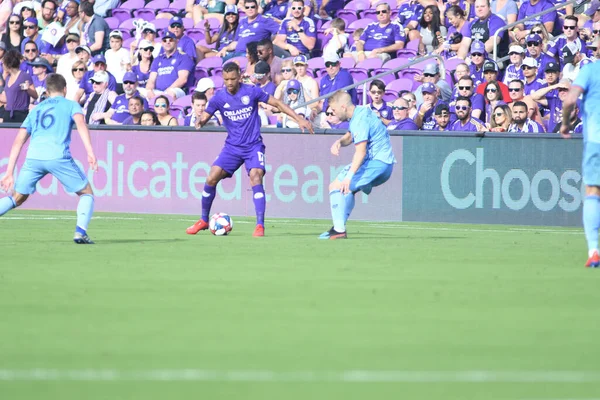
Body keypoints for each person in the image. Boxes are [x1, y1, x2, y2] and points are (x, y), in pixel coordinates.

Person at [186, 61, 313, 237]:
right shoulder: (219, 98)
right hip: (232, 147)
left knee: (256, 176)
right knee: (211, 177)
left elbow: (277, 103)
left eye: (232, 78)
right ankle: (204, 220)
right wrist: (200, 121)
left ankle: (260, 225)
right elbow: (206, 115)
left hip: (253, 146)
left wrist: (299, 119)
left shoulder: (251, 91)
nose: (229, 83)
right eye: (226, 79)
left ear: (239, 76)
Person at [0, 73, 98, 244]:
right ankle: (80, 232)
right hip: (57, 156)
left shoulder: (36, 109)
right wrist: (90, 151)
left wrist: (9, 172)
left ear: (46, 90)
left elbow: (18, 141)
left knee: (17, 198)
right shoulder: (71, 105)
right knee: (86, 193)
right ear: (65, 89)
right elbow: (81, 124)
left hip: (34, 158)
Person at [319, 90, 396, 240]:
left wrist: (349, 177)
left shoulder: (360, 120)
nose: (332, 113)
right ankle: (338, 227)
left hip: (377, 163)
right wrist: (340, 142)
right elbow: (350, 136)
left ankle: (339, 229)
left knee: (337, 187)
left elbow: (360, 152)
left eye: (333, 110)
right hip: (385, 164)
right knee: (346, 190)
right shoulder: (359, 113)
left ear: (343, 107)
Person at [560, 60, 600, 266]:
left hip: (596, 140)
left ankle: (594, 250)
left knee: (593, 191)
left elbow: (569, 100)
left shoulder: (590, 70)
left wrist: (565, 124)